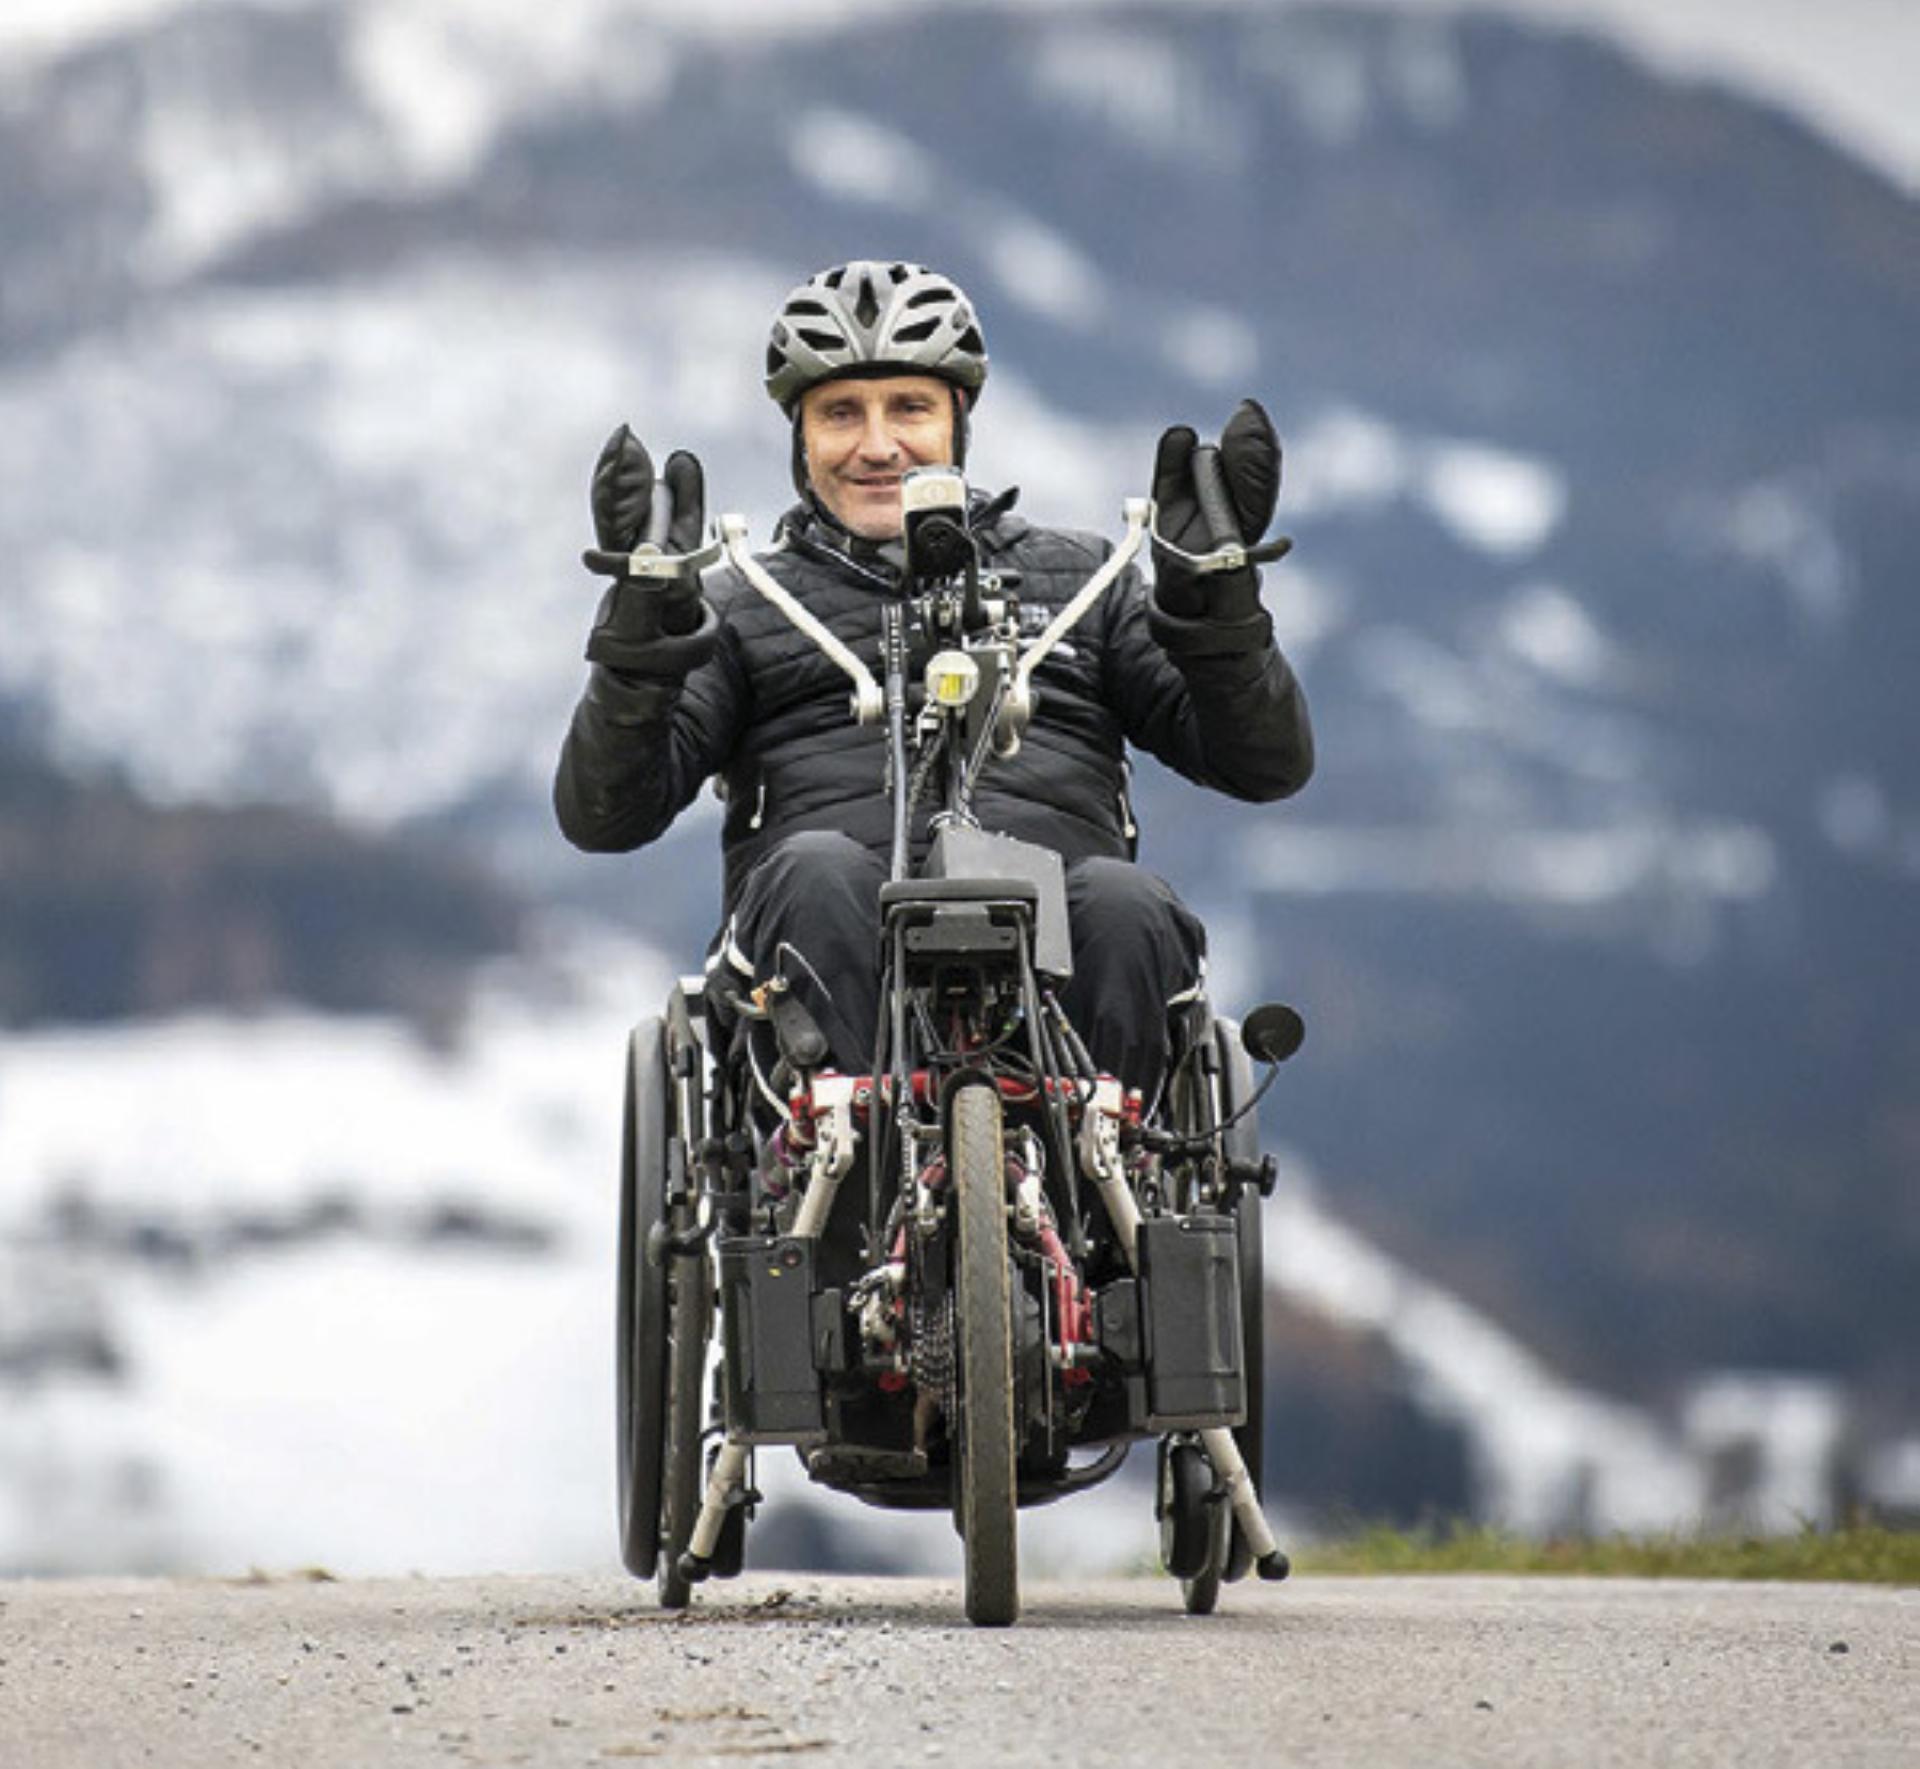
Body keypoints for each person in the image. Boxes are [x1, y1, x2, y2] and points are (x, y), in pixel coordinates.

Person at [555, 259, 1313, 1098]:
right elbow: (604, 815)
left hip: (1060, 973)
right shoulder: (741, 605)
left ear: (960, 420)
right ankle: (845, 1182)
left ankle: (1103, 1168)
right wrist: (642, 631)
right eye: (841, 413)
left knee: (1126, 902)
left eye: (910, 407)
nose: (878, 445)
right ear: (800, 440)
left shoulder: (1086, 581)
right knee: (811, 871)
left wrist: (1215, 605)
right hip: (820, 1001)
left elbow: (1264, 764)